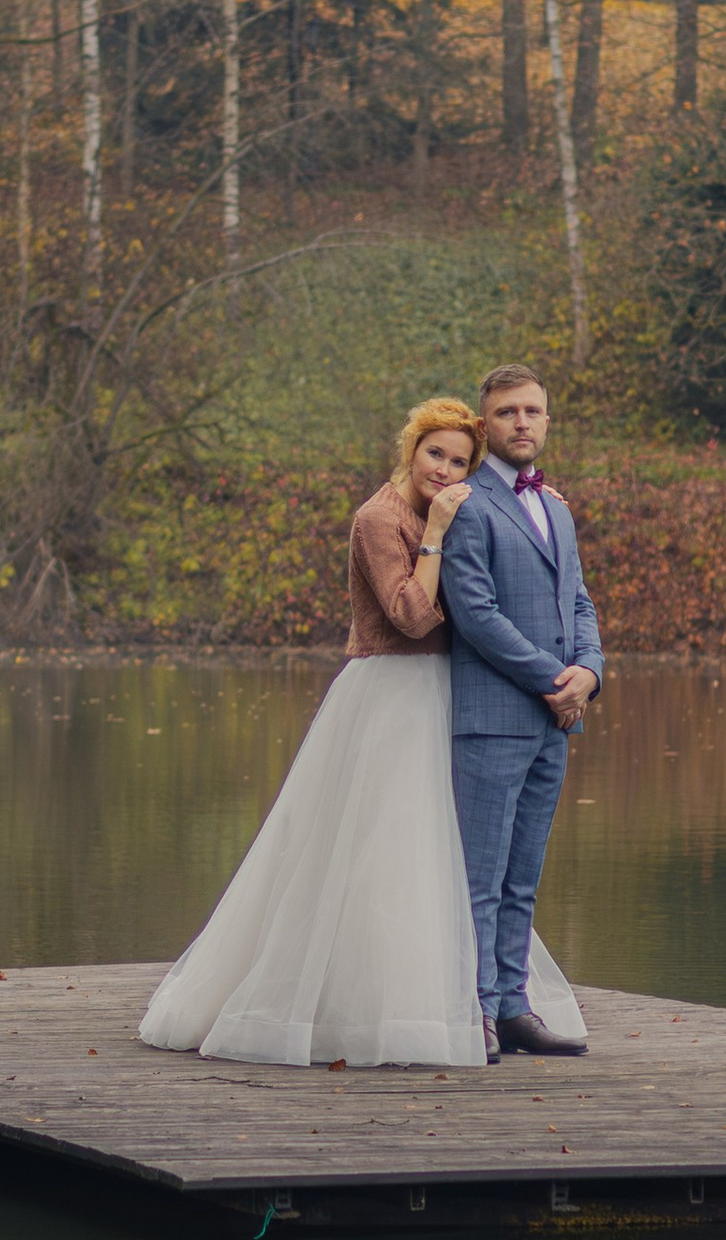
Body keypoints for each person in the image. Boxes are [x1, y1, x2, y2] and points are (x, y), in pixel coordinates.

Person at [138, 397, 584, 1068]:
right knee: (377, 852)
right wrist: (435, 527)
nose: (444, 468)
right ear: (411, 449)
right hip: (390, 694)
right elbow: (410, 615)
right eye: (435, 453)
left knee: (439, 859)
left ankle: (475, 1004)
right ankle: (364, 1009)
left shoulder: (477, 506)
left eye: (459, 460)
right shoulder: (378, 518)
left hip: (446, 694)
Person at [437, 364, 605, 1061]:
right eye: (507, 413)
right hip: (492, 716)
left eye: (533, 411)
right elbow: (474, 613)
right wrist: (551, 679)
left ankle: (512, 1007)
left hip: (555, 722)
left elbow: (579, 602)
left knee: (522, 879)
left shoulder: (556, 507)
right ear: (485, 425)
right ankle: (470, 1010)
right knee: (478, 877)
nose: (522, 423)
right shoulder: (465, 503)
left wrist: (589, 675)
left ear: (547, 419)